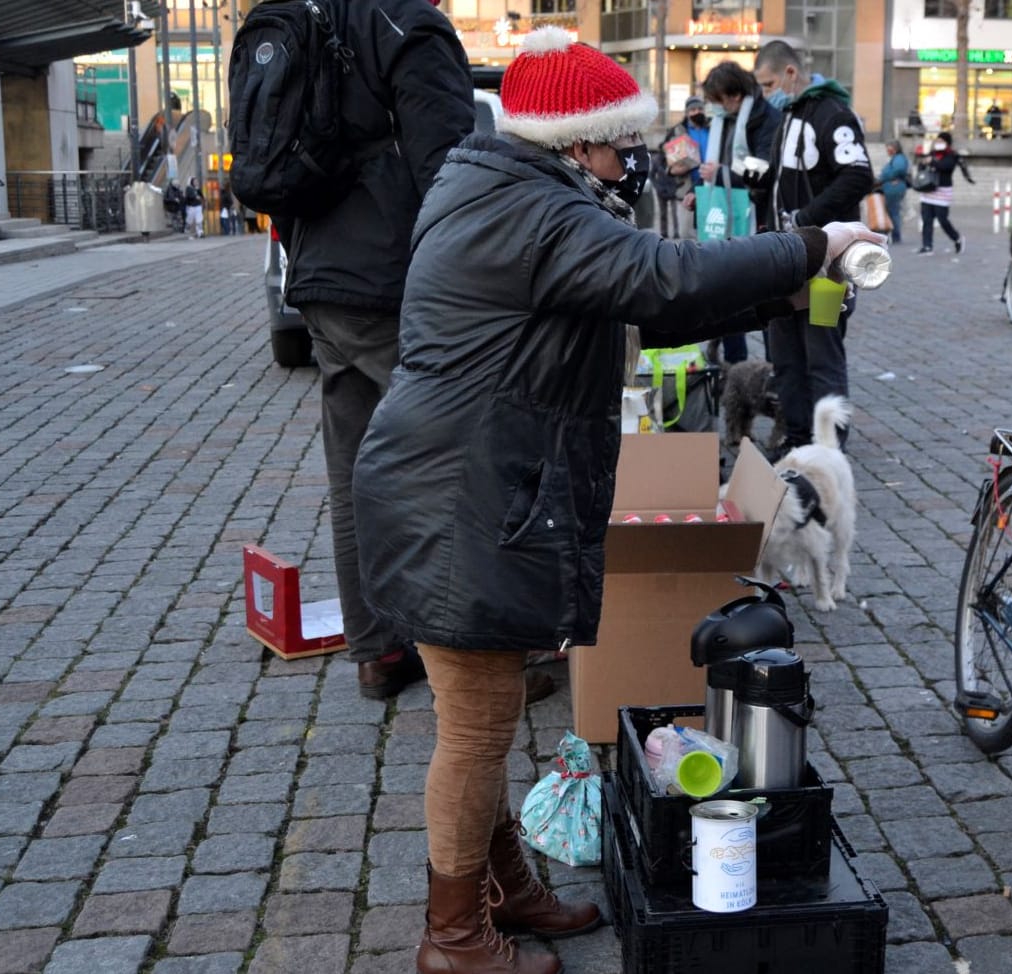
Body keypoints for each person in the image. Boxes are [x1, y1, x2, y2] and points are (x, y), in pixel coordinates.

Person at [350, 27, 882, 974]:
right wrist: (809, 244)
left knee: (486, 711)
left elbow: (653, 303)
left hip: (459, 487)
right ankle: (453, 938)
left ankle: (500, 891)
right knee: (475, 724)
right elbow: (660, 278)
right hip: (458, 497)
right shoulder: (530, 207)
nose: (634, 158)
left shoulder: (509, 187)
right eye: (620, 141)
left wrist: (784, 286)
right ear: (573, 140)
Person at [274, 0, 476, 701]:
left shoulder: (309, 15)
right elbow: (447, 173)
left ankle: (377, 653)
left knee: (354, 472)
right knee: (465, 455)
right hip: (394, 283)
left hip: (319, 276)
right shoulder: (407, 26)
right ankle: (472, 661)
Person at [753, 39, 873, 452]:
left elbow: (858, 175)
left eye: (768, 83)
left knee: (821, 352)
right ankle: (798, 436)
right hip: (787, 262)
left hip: (828, 266)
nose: (766, 93)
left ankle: (829, 445)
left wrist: (806, 218)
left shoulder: (832, 113)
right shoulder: (788, 115)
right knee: (786, 354)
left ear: (790, 73)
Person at [698, 60, 784, 364]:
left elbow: (763, 169)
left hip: (757, 219)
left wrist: (724, 172)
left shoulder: (766, 119)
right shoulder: (725, 119)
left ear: (735, 94)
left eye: (720, 99)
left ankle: (776, 369)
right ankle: (735, 365)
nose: (717, 107)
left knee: (765, 299)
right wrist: (701, 196)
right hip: (724, 219)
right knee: (728, 294)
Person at [915, 131, 972, 256]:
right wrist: (924, 163)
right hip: (928, 191)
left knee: (942, 219)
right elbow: (921, 166)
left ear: (947, 143)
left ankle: (957, 238)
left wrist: (932, 162)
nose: (938, 143)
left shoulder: (951, 155)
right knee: (926, 220)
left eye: (941, 141)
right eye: (938, 141)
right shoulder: (931, 153)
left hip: (942, 192)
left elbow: (946, 167)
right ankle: (927, 246)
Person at [665, 96, 711, 240]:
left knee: (711, 233)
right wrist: (677, 168)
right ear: (686, 112)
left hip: (711, 189)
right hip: (687, 190)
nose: (697, 112)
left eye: (700, 109)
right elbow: (669, 165)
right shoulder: (677, 131)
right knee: (687, 235)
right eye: (692, 110)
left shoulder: (713, 128)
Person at [878, 140, 911, 245]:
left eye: (889, 147)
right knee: (890, 211)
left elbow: (898, 170)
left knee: (893, 211)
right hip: (891, 187)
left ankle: (895, 235)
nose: (887, 150)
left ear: (895, 148)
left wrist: (884, 177)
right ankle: (889, 235)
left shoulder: (899, 158)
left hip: (894, 188)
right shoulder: (895, 158)